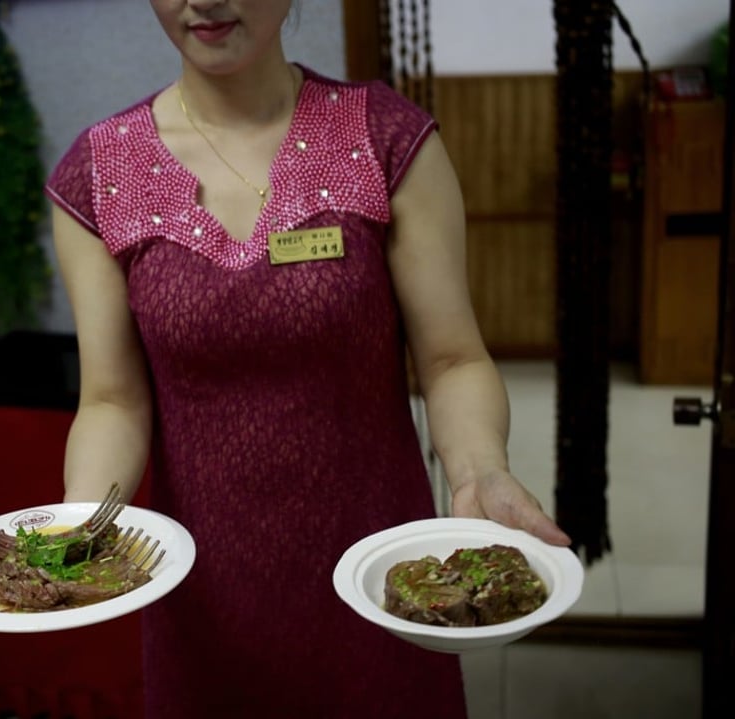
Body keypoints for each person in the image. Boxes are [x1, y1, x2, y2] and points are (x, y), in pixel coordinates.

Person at [45, 1, 571, 716]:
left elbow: (451, 359)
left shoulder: (383, 136)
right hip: (205, 591)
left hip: (378, 573)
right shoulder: (100, 173)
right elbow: (113, 400)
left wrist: (481, 472)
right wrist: (82, 526)